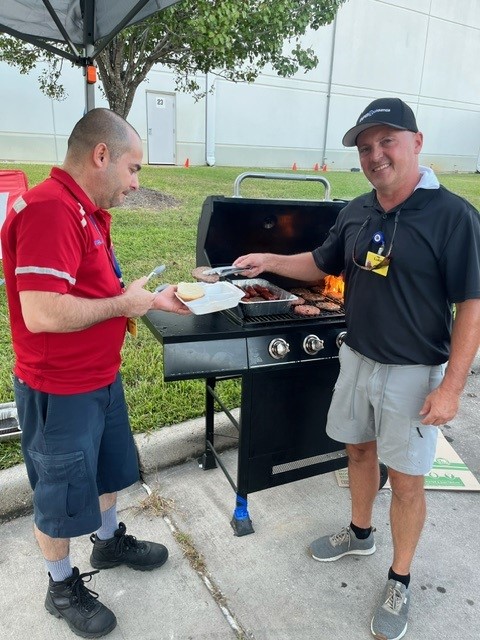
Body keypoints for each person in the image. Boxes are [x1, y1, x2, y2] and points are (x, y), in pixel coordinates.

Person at [233, 97, 480, 640]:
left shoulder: (453, 216)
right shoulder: (356, 210)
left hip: (415, 372)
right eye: (366, 148)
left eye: (386, 141)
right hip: (357, 357)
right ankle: (360, 531)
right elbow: (321, 265)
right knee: (357, 450)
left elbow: (472, 306)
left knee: (410, 482)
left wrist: (453, 388)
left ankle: (400, 577)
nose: (375, 155)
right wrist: (269, 260)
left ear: (416, 142)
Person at [0, 108, 190, 638]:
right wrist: (123, 307)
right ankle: (60, 585)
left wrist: (149, 300)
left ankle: (107, 544)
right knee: (58, 499)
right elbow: (41, 312)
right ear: (100, 155)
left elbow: (97, 293)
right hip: (60, 390)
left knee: (107, 472)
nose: (136, 184)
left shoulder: (79, 210)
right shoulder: (49, 210)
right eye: (132, 169)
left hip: (99, 378)